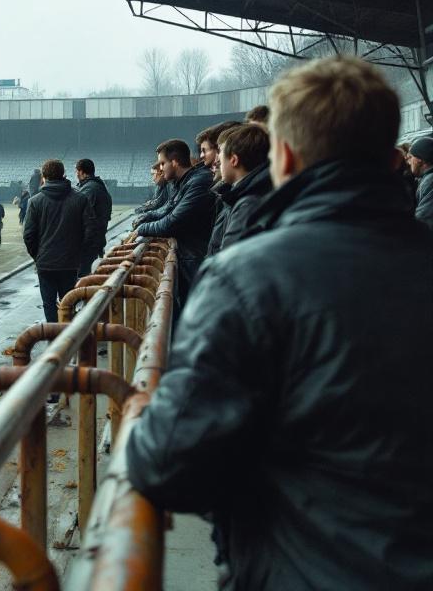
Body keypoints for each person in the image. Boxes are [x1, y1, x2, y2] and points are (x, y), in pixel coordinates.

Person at [126, 56, 433, 590]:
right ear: (391, 152)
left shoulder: (248, 277)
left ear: (284, 155)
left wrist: (137, 413)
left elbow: (169, 465)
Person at [132, 139, 215, 309]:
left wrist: (142, 228)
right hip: (190, 257)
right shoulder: (184, 181)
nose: (160, 169)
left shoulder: (198, 182)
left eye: (163, 163)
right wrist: (144, 218)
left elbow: (171, 222)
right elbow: (165, 210)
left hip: (197, 258)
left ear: (175, 162)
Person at [23, 159, 103, 321]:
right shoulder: (80, 199)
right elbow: (91, 231)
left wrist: (37, 256)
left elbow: (28, 235)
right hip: (70, 263)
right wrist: (79, 254)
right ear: (63, 175)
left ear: (44, 177)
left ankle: (54, 341)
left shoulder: (35, 202)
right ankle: (69, 340)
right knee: (69, 304)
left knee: (49, 304)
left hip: (45, 263)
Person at [210, 123, 272, 254]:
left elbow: (227, 261)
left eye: (220, 158)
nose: (216, 162)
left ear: (233, 160)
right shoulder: (242, 195)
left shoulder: (247, 203)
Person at [74, 159, 112, 274]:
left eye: (76, 171)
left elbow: (79, 215)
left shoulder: (90, 189)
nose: (76, 174)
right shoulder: (97, 186)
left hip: (89, 244)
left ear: (81, 172)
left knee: (83, 280)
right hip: (96, 241)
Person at [406, 135, 433, 231]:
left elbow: (423, 217)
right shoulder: (425, 179)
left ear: (419, 160)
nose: (408, 162)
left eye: (410, 157)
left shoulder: (430, 181)